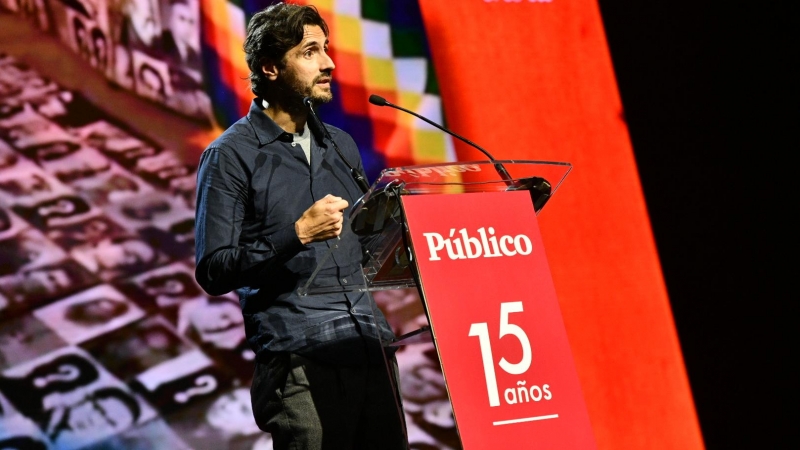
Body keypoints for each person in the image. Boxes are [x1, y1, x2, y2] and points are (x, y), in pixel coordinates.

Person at [194, 3, 406, 449]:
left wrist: (399, 230)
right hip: (300, 359)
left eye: (326, 49)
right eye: (310, 52)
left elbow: (364, 246)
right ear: (270, 67)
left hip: (369, 346)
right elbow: (214, 269)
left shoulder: (342, 144)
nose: (328, 62)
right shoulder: (230, 156)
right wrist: (297, 235)